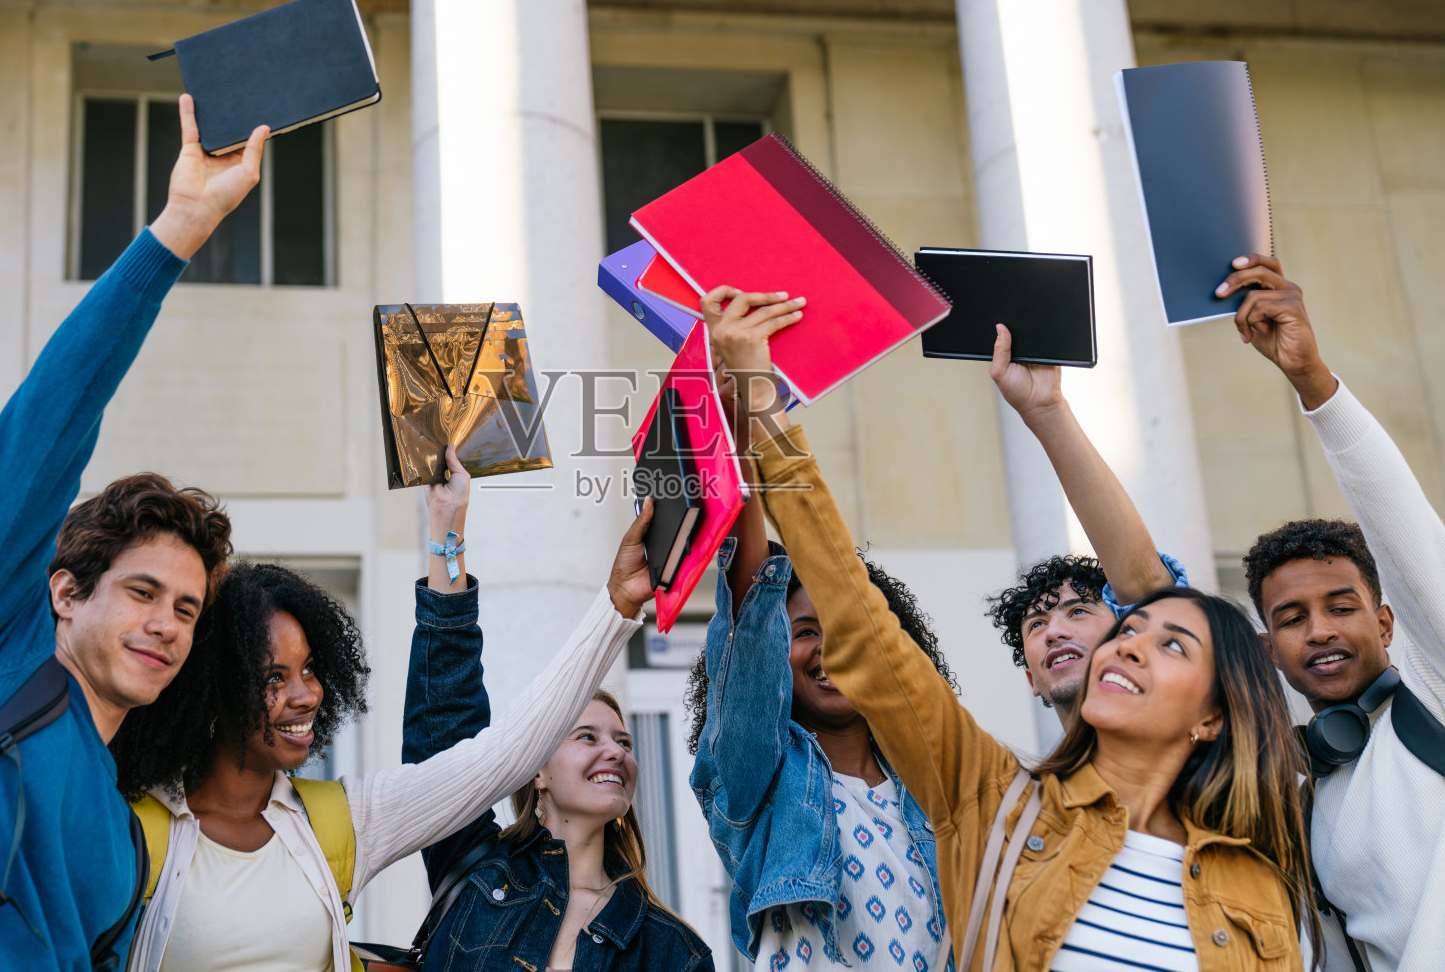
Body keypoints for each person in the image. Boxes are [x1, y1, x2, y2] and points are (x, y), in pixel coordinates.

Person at [706, 285, 1316, 971]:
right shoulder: (990, 799)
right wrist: (759, 405)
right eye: (1131, 630)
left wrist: (1051, 410)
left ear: (1212, 716)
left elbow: (1146, 579)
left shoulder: (1258, 879)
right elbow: (858, 615)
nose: (1130, 644)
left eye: (1171, 643)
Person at [0, 96, 258, 970]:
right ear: (65, 592)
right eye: (144, 592)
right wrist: (177, 233)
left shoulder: (124, 841)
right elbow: (43, 429)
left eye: (186, 608)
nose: (167, 624)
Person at [111, 447, 658, 972]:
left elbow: (502, 756)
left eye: (310, 670)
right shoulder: (135, 825)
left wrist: (617, 606)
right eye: (274, 678)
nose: (307, 694)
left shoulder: (342, 821)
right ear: (214, 693)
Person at [683, 365, 958, 968]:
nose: (830, 650)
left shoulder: (934, 783)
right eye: (805, 633)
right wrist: (741, 436)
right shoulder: (762, 785)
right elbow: (752, 619)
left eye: (847, 632)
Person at [1219, 253, 1445, 971]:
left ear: (1386, 622)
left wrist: (1310, 378)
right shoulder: (1303, 794)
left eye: (1341, 606)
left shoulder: (1432, 687)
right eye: (1292, 618)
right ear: (1269, 648)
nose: (1318, 628)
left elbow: (1401, 525)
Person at [402, 460, 713, 972]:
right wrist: (447, 526)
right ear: (537, 771)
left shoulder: (672, 951)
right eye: (586, 736)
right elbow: (444, 722)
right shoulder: (475, 868)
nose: (615, 750)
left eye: (624, 742)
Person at [983, 324, 1187, 714]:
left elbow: (1145, 589)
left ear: (1129, 633)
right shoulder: (1018, 778)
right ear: (1031, 680)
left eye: (1078, 611)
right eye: (1037, 625)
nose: (1055, 632)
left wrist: (1045, 410)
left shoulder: (1192, 761)